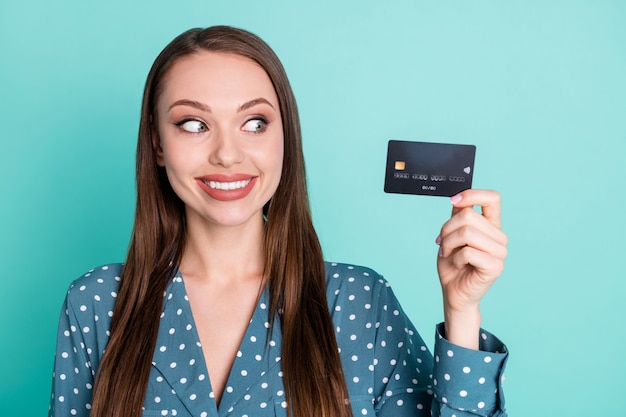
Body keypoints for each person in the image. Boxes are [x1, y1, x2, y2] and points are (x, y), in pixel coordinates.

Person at [49, 25, 509, 417]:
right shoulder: (96, 304)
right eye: (193, 124)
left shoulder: (360, 304)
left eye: (254, 123)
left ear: (284, 139)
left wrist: (462, 312)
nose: (227, 154)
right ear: (157, 145)